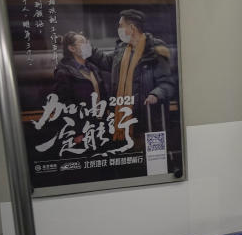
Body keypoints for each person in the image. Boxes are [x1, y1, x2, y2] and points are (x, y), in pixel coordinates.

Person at [110, 8, 176, 139]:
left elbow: (167, 83)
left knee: (151, 157)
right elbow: (106, 61)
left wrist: (155, 94)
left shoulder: (155, 50)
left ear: (132, 28)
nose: (119, 29)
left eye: (121, 26)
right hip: (126, 117)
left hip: (149, 118)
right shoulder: (122, 50)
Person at [53, 31, 109, 107]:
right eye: (83, 42)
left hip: (99, 117)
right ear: (72, 48)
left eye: (87, 42)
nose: (88, 45)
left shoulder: (94, 69)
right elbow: (65, 104)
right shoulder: (64, 72)